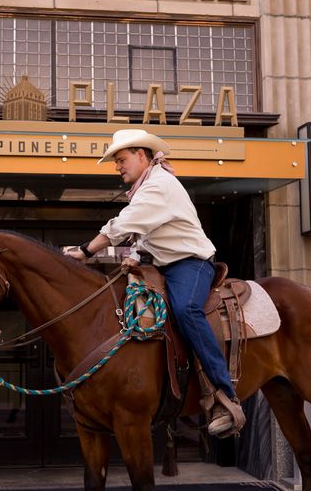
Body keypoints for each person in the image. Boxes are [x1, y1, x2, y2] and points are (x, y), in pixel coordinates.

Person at [66, 129, 245, 437]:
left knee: (187, 310)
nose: (117, 166)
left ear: (141, 155)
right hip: (164, 266)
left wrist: (84, 251)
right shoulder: (149, 185)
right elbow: (150, 233)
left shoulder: (159, 186)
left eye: (121, 159)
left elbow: (124, 224)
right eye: (116, 161)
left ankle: (223, 394)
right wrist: (139, 256)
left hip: (191, 265)